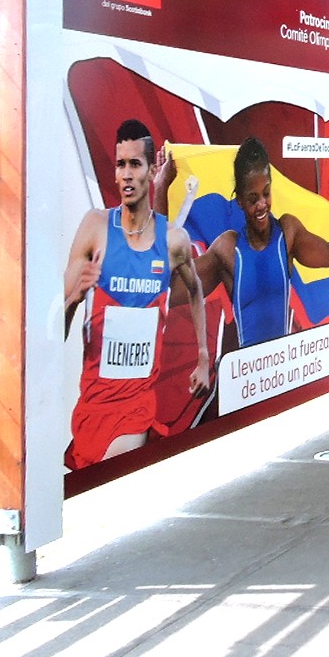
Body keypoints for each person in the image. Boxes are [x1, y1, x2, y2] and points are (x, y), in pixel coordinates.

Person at [62, 119, 210, 469]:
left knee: (116, 474)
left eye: (135, 164)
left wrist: (203, 357)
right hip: (92, 404)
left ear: (151, 171)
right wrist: (73, 301)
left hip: (137, 405)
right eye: (120, 165)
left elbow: (195, 290)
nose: (126, 175)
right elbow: (55, 331)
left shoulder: (173, 241)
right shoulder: (95, 228)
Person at [192, 137, 329, 349]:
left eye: (266, 193)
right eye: (253, 199)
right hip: (248, 367)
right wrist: (160, 189)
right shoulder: (227, 250)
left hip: (283, 364)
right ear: (240, 200)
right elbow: (168, 286)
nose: (262, 205)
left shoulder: (288, 233)